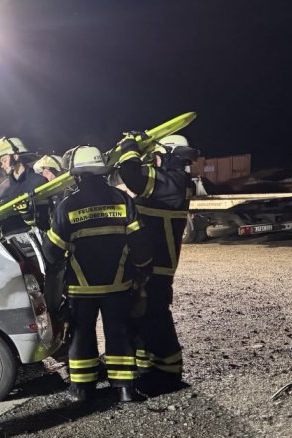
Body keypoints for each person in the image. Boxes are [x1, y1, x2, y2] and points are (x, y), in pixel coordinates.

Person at [42, 145, 151, 403]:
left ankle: (82, 389)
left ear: (77, 175)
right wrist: (142, 271)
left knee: (81, 336)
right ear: (102, 173)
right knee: (119, 333)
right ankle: (124, 388)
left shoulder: (67, 206)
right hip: (119, 284)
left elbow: (51, 252)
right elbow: (140, 243)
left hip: (81, 288)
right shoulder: (123, 200)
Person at [115, 133, 199, 395]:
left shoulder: (171, 182)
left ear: (167, 155)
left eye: (156, 156)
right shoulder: (174, 180)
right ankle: (148, 370)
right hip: (150, 264)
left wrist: (130, 147)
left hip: (157, 267)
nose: (154, 161)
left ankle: (168, 376)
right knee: (142, 316)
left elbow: (131, 174)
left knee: (157, 319)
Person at [0, 137, 50, 234]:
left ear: (15, 156)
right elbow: (2, 226)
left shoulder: (38, 181)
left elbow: (46, 217)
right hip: (12, 245)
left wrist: (27, 213)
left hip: (37, 241)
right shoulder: (2, 190)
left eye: (4, 160)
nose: (2, 165)